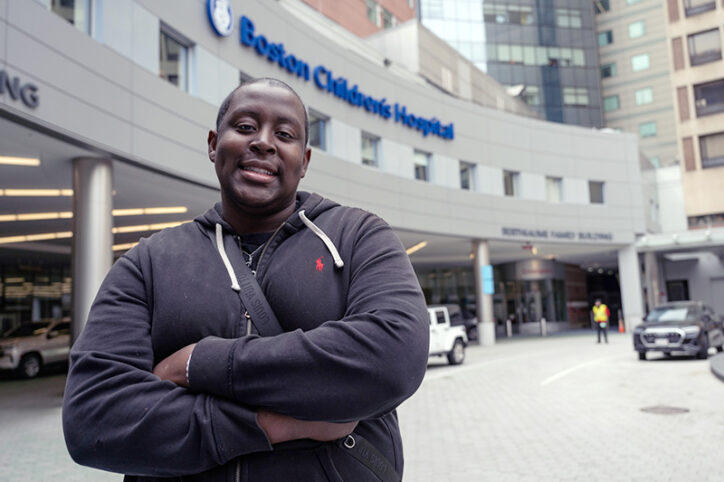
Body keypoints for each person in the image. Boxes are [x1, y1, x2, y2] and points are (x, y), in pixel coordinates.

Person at [62, 78, 430, 481]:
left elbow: (394, 356)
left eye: (284, 134)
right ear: (212, 143)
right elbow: (93, 417)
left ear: (304, 161)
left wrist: (197, 363)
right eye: (245, 127)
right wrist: (274, 425)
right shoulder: (148, 262)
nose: (264, 142)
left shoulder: (358, 235)